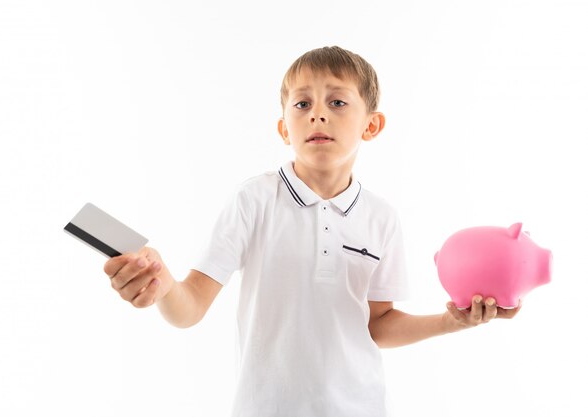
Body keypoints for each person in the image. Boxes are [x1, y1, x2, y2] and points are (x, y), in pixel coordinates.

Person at [103, 46, 521, 417]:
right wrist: (160, 285)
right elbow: (188, 307)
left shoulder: (382, 218)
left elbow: (380, 325)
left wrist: (457, 322)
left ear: (371, 126)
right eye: (302, 104)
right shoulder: (254, 200)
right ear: (285, 128)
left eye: (337, 101)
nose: (318, 113)